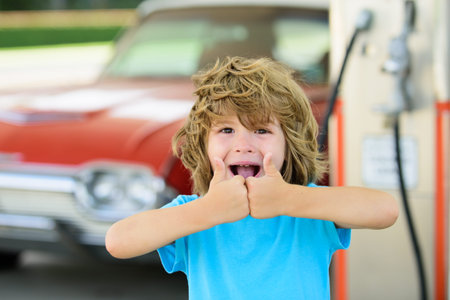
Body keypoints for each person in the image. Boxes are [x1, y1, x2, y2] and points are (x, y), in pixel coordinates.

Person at [105, 56, 398, 299]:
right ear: (203, 145)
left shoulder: (307, 208)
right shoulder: (194, 213)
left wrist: (289, 199)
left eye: (261, 131)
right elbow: (118, 241)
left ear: (289, 144)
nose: (244, 144)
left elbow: (385, 210)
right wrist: (208, 210)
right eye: (226, 130)